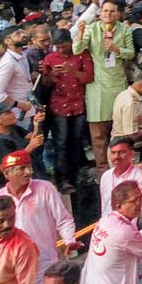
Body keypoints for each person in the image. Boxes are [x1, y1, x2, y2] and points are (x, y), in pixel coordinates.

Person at [0, 151, 77, 284]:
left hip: (44, 265)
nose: (28, 172)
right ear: (6, 174)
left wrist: (69, 240)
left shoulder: (45, 188)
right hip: (10, 271)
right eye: (21, 169)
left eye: (29, 167)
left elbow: (63, 220)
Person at [72, 0, 134, 174]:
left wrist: (116, 49)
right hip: (98, 85)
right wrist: (80, 33)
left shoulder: (125, 29)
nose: (108, 14)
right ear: (100, 13)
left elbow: (131, 53)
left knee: (120, 128)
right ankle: (102, 170)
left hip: (118, 82)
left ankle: (123, 166)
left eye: (112, 11)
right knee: (98, 133)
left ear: (118, 13)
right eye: (105, 11)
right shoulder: (92, 29)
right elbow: (77, 50)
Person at [40, 30, 91, 193]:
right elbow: (44, 83)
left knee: (76, 142)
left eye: (64, 46)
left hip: (78, 104)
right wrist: (52, 75)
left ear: (71, 41)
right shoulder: (50, 59)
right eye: (58, 47)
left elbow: (89, 77)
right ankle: (62, 180)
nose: (61, 50)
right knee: (60, 143)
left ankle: (76, 176)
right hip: (59, 105)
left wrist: (73, 71)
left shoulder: (81, 54)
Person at [98, 138, 142, 215]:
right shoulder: (106, 176)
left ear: (132, 154)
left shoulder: (140, 179)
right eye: (113, 153)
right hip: (107, 222)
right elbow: (104, 207)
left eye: (121, 152)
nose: (116, 157)